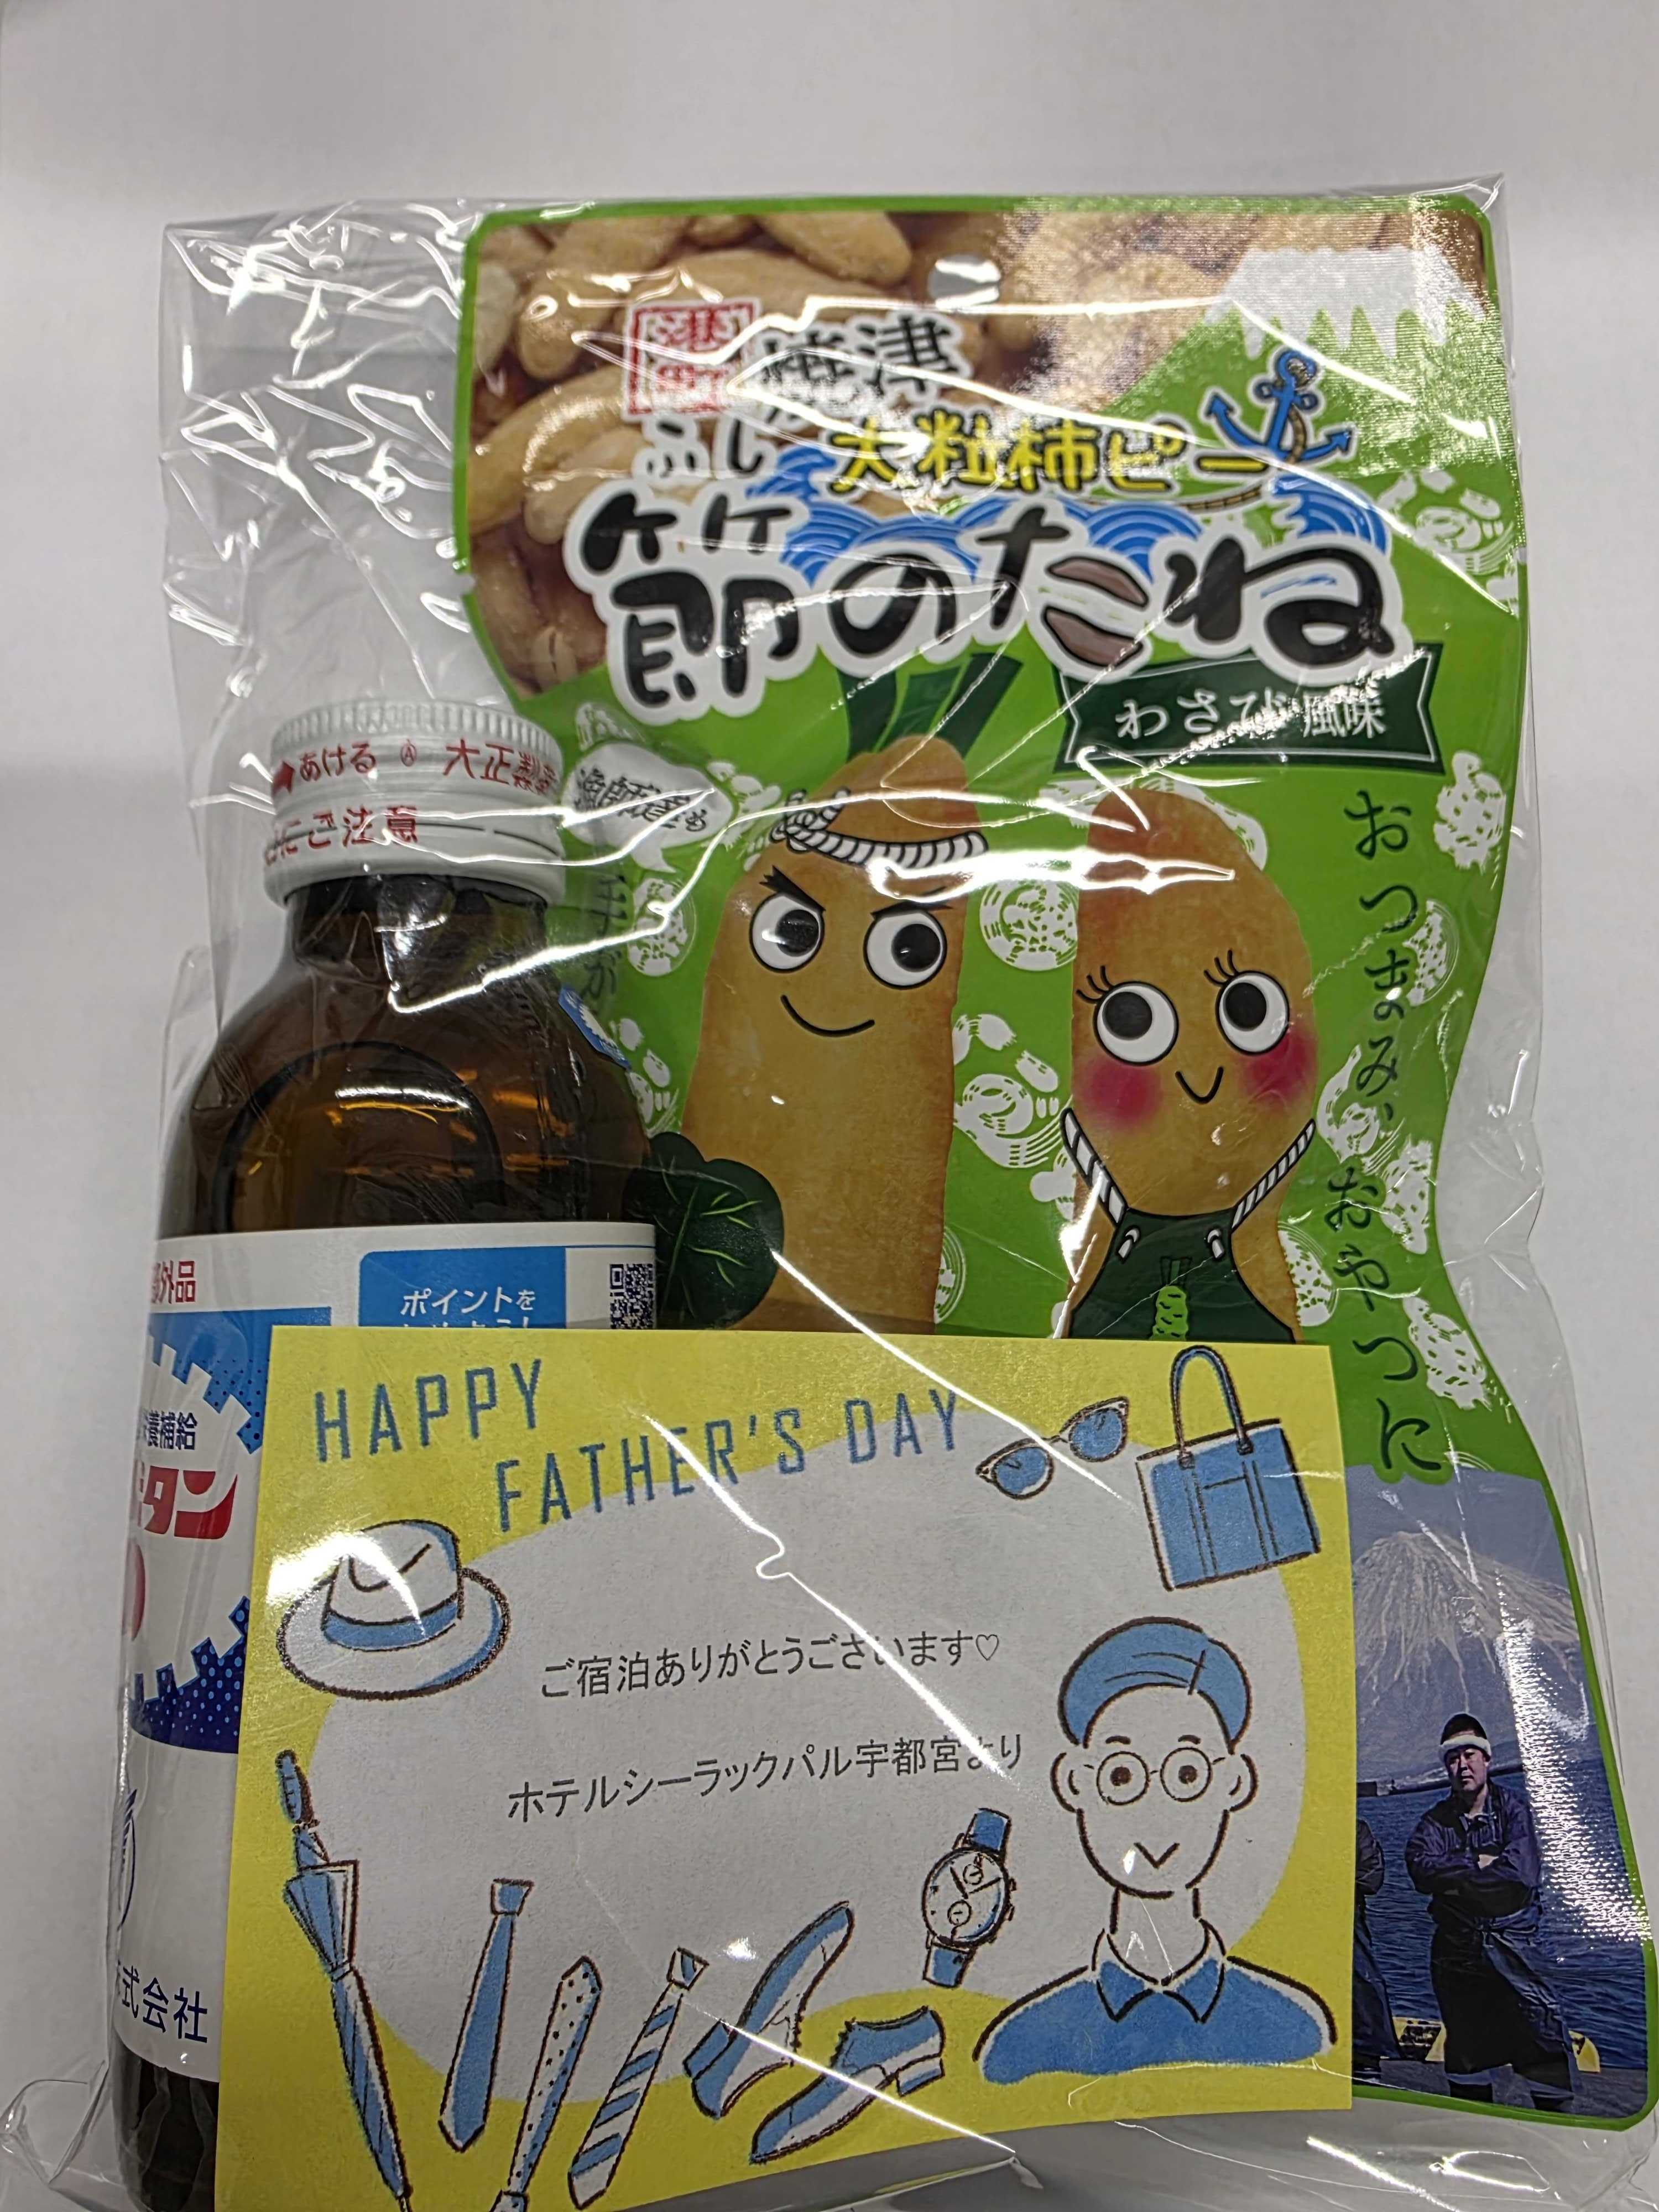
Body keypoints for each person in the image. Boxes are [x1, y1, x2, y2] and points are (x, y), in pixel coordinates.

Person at [977, 1618, 1333, 2083]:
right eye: (1121, 1776)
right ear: (1076, 1782)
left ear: (1233, 1782)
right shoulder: (1021, 2046)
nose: (1156, 1811)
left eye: (1187, 1775)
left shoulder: (1295, 2032)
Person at [1405, 1714, 1573, 2111]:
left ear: (1487, 1760)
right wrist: (1476, 1863)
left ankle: (1559, 2129)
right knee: (1468, 2052)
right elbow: (1420, 1869)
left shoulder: (1516, 1812)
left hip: (1518, 1950)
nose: (1462, 1766)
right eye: (1453, 1759)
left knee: (1541, 2039)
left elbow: (1521, 1873)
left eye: (1470, 1755)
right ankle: (1475, 2128)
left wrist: (1456, 1880)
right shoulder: (1434, 1823)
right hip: (1459, 1958)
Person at [1352, 1817, 1398, 2086]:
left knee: (1363, 1981)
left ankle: (1367, 2058)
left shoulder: (1356, 1829)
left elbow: (1372, 1878)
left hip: (1346, 1921)